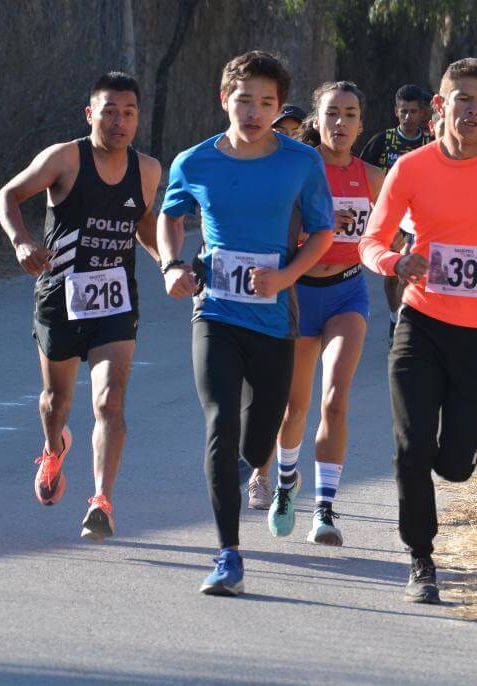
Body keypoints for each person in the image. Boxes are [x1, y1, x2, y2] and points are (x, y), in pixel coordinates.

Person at [360, 58, 477, 604]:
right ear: (439, 106)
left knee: (454, 465)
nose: (471, 110)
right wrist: (395, 265)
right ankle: (421, 560)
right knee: (411, 446)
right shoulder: (411, 168)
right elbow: (370, 240)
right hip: (420, 325)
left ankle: (458, 458)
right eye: (461, 99)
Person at [158, 51, 334, 596]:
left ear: (280, 108)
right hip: (214, 311)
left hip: (275, 317)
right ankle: (227, 554)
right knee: (220, 422)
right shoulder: (195, 161)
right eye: (244, 100)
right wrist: (170, 265)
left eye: (266, 103)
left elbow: (322, 234)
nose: (254, 112)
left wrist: (285, 279)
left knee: (259, 437)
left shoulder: (301, 163)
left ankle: (253, 467)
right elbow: (169, 215)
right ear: (223, 99)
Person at [0, 72, 161, 541]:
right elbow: (6, 195)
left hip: (114, 300)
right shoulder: (65, 158)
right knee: (56, 402)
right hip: (60, 296)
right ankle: (53, 447)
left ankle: (100, 502)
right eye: (109, 111)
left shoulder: (147, 170)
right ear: (91, 114)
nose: (119, 121)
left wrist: (167, 263)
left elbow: (144, 223)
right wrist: (22, 241)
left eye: (128, 113)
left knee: (110, 401)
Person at [261, 81, 384, 546]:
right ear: (319, 119)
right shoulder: (298, 170)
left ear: (360, 123)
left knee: (335, 397)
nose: (341, 123)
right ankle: (286, 487)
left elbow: (407, 225)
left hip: (347, 294)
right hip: (297, 296)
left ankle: (326, 509)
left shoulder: (373, 178)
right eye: (333, 113)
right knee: (295, 407)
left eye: (350, 114)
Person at [360, 84, 435, 338]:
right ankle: (395, 317)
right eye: (403, 112)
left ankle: (408, 322)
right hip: (390, 217)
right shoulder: (382, 141)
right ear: (396, 111)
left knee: (410, 273)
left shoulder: (430, 141)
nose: (408, 117)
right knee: (393, 274)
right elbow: (363, 176)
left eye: (413, 112)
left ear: (422, 113)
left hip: (422, 218)